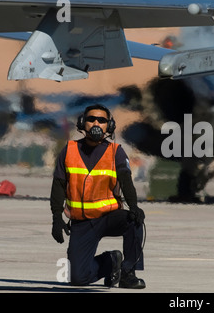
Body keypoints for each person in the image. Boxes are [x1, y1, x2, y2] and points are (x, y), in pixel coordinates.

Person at [50, 104, 146, 289]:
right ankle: (111, 261)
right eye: (91, 119)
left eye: (101, 120)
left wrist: (133, 206)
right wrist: (56, 218)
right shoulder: (68, 150)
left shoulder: (115, 152)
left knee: (134, 221)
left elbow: (126, 180)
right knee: (79, 279)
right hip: (82, 222)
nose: (96, 123)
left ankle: (128, 273)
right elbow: (58, 185)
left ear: (108, 126)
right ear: (82, 123)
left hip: (108, 216)